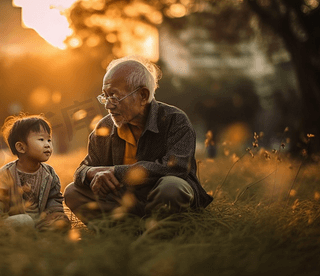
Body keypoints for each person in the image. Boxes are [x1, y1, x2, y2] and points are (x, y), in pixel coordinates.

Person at [64, 55, 213, 225]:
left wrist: (115, 172)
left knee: (172, 188)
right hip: (125, 200)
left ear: (143, 95)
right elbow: (82, 169)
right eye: (105, 96)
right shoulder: (104, 127)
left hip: (161, 197)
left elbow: (176, 168)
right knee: (72, 191)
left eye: (114, 96)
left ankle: (161, 233)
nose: (108, 105)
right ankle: (123, 233)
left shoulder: (175, 120)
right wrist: (91, 172)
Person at [0, 114, 71, 232]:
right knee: (24, 221)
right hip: (15, 219)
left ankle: (39, 234)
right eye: (41, 139)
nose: (47, 144)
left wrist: (56, 215)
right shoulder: (7, 173)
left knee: (62, 223)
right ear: (21, 147)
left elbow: (54, 199)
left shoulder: (49, 174)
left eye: (49, 139)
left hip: (40, 221)